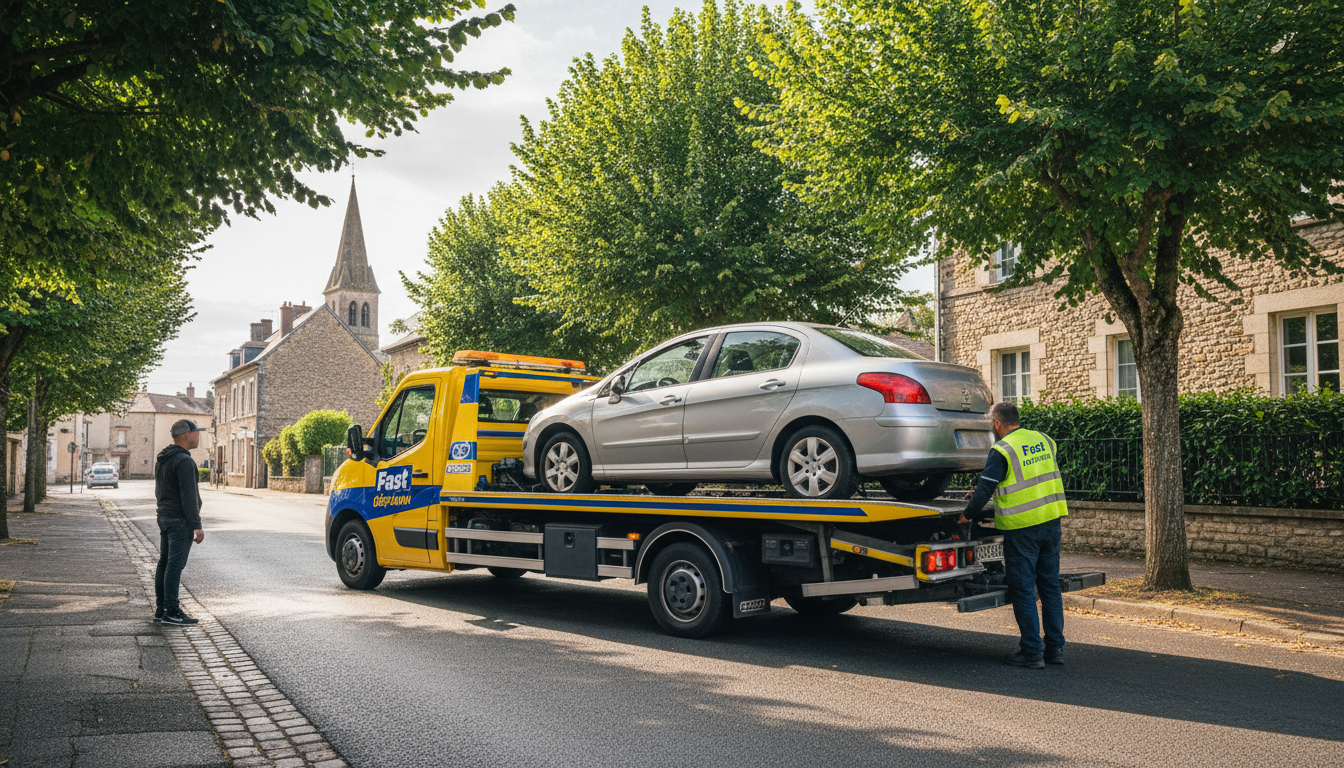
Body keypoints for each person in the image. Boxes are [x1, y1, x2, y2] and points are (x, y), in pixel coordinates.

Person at [961, 401, 1068, 669]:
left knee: (1023, 590)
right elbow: (1029, 477)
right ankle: (1055, 649)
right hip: (1051, 522)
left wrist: (968, 514)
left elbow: (987, 487)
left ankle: (1032, 653)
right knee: (1050, 587)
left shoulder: (1002, 449)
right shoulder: (1045, 440)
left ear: (997, 424)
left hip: (1022, 530)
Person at [155, 418, 206, 626]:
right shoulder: (184, 461)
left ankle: (162, 608)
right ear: (186, 435)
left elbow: (159, 491)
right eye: (196, 432)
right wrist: (197, 525)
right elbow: (189, 496)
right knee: (174, 565)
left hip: (165, 516)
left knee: (165, 563)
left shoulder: (164, 459)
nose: (198, 436)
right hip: (179, 520)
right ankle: (172, 611)